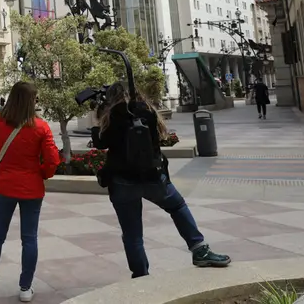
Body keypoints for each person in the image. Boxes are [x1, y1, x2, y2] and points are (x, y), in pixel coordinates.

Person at [91, 82, 231, 279]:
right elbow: (160, 137)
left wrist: (100, 113)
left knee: (132, 234)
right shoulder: (146, 111)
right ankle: (199, 249)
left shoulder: (112, 116)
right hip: (152, 177)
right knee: (177, 207)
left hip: (122, 182)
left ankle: (140, 274)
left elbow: (100, 143)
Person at [0, 81, 61, 302]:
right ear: (30, 102)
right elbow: (53, 160)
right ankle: (25, 288)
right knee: (29, 239)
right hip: (32, 189)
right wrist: (43, 174)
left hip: (5, 187)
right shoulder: (41, 127)